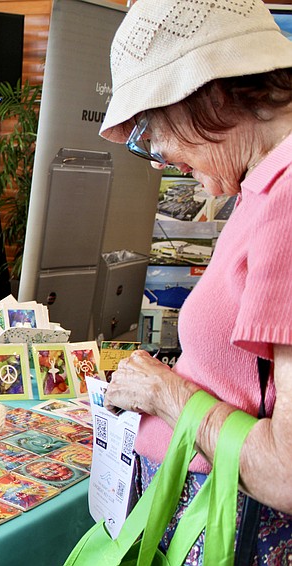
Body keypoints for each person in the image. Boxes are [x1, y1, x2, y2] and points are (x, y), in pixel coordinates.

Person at [98, 0, 292, 562]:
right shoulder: (262, 185)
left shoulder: (284, 199)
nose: (157, 154)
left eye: (152, 129)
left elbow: (284, 471)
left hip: (236, 529)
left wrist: (164, 392)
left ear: (210, 93)